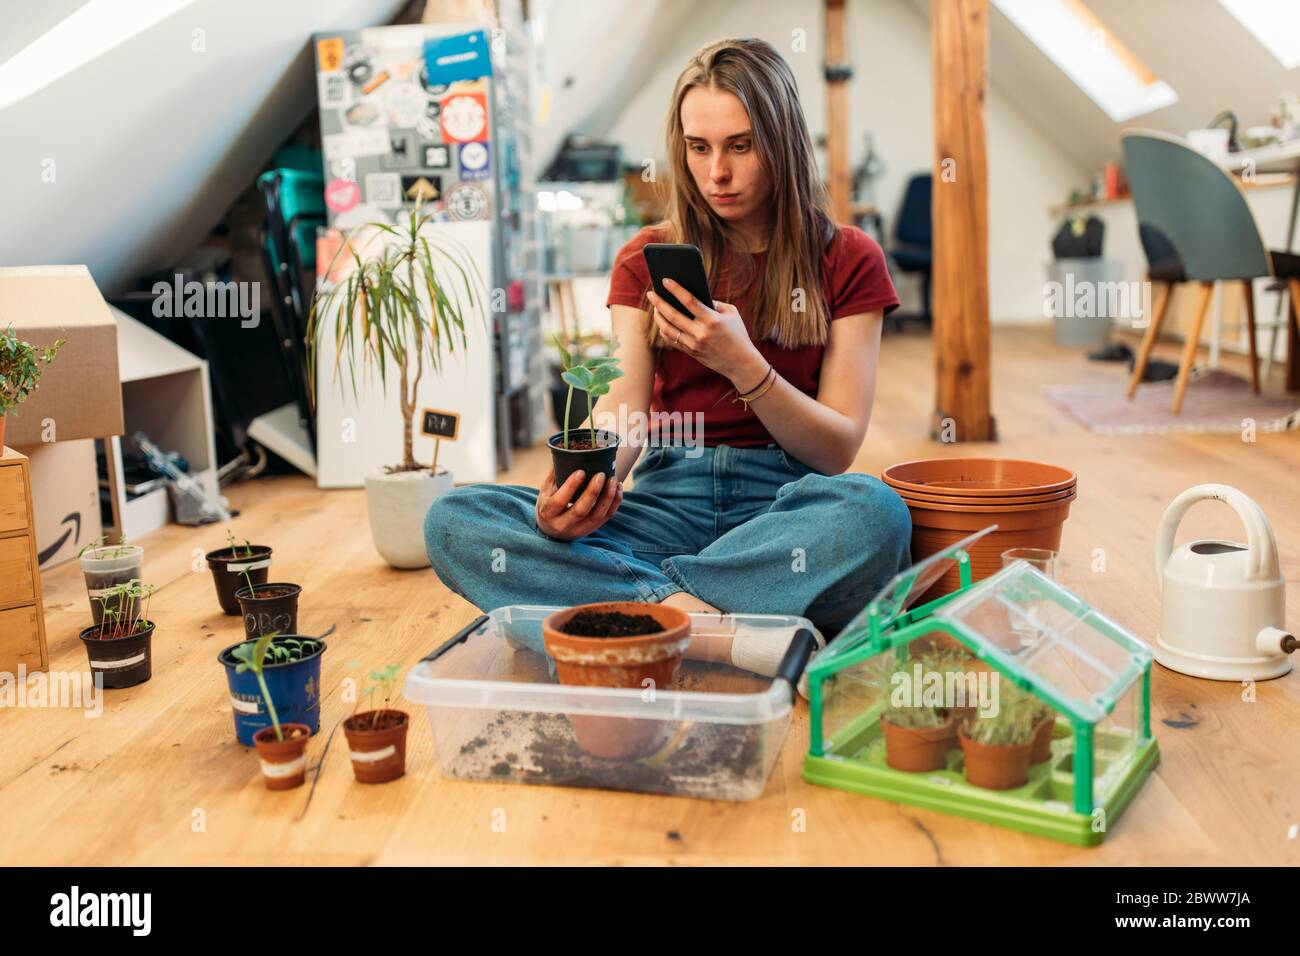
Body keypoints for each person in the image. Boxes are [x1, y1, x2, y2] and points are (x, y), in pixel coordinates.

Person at [425, 37, 911, 671]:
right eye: (698, 147)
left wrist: (744, 367)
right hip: (662, 501)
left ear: (784, 141)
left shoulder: (848, 257)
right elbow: (625, 413)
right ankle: (721, 622)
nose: (717, 174)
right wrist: (580, 492)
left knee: (874, 515)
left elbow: (836, 447)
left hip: (782, 510)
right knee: (455, 521)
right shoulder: (643, 257)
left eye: (741, 146)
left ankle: (622, 608)